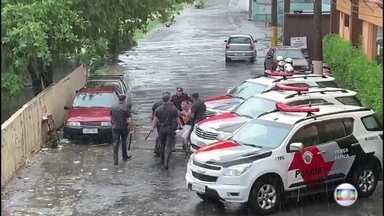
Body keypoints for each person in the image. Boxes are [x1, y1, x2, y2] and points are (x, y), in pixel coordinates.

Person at [151, 92, 182, 169]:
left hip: (161, 129)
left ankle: (162, 160)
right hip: (170, 129)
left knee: (162, 144)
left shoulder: (158, 109)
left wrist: (152, 127)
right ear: (169, 99)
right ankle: (166, 163)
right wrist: (181, 125)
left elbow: (155, 119)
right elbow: (177, 118)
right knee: (168, 146)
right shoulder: (173, 108)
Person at [111, 94, 131, 165]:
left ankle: (115, 161)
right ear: (124, 99)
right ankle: (124, 156)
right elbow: (128, 118)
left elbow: (111, 115)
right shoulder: (126, 107)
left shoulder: (113, 106)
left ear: (119, 99)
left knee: (115, 143)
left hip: (115, 127)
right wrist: (129, 126)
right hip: (123, 127)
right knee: (123, 141)